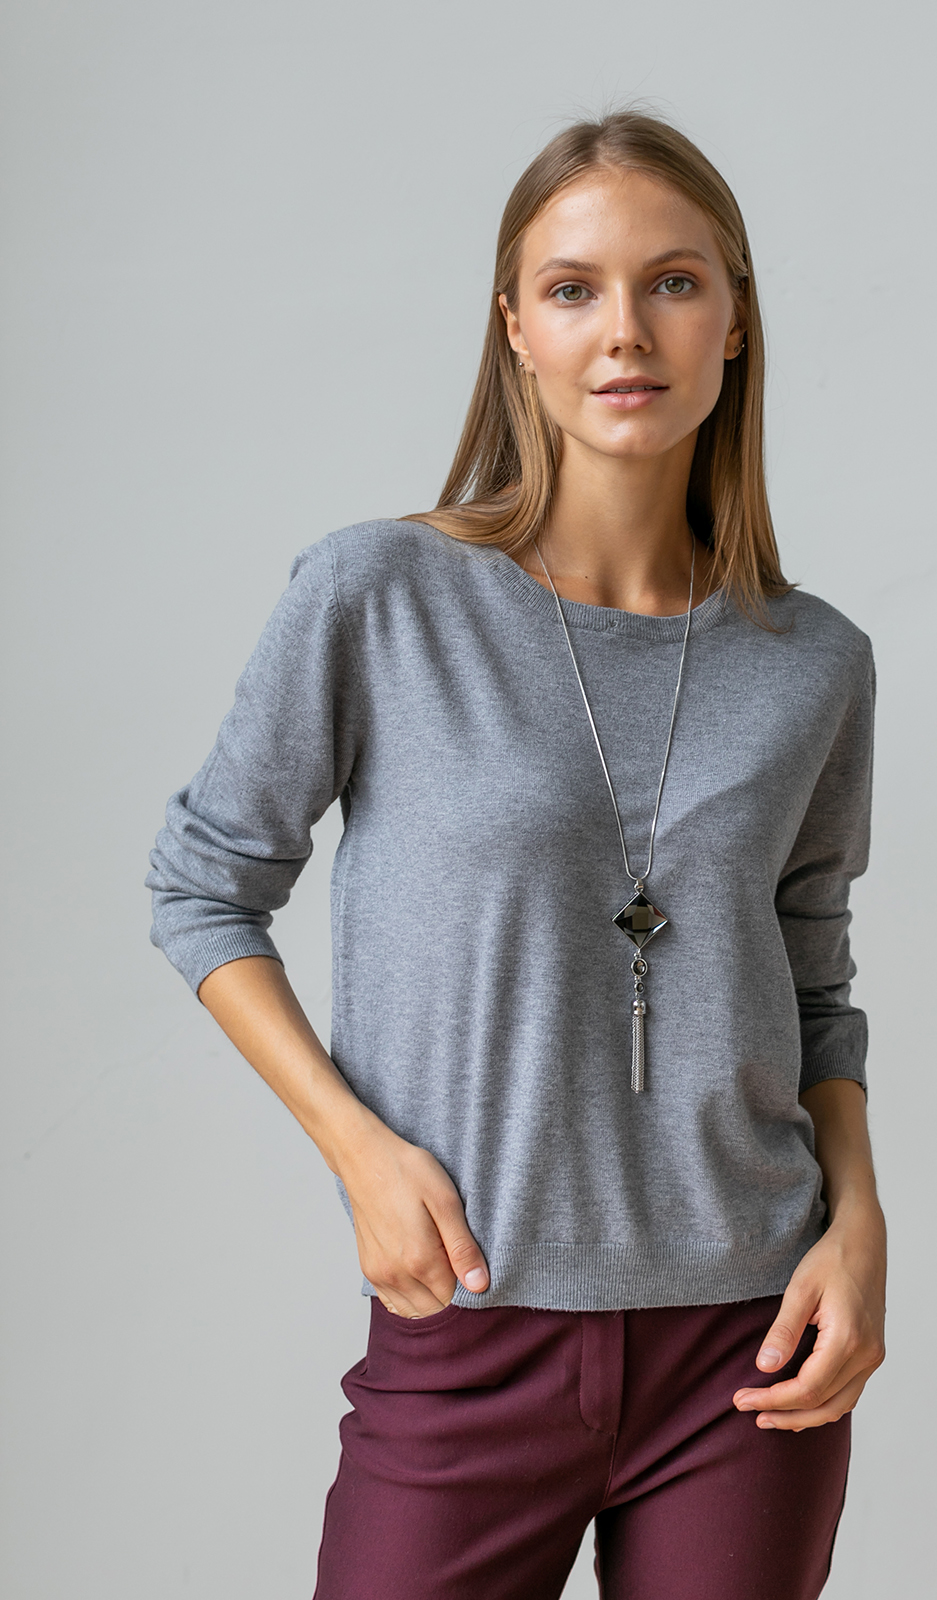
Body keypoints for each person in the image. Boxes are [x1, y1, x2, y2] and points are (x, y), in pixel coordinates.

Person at [147, 110, 887, 1600]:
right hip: (472, 1319)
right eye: (572, 288)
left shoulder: (814, 661)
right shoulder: (381, 595)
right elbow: (203, 886)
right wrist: (360, 1153)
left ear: (735, 319)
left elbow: (814, 980)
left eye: (673, 282)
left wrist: (859, 1222)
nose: (626, 332)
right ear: (514, 330)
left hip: (749, 1338)